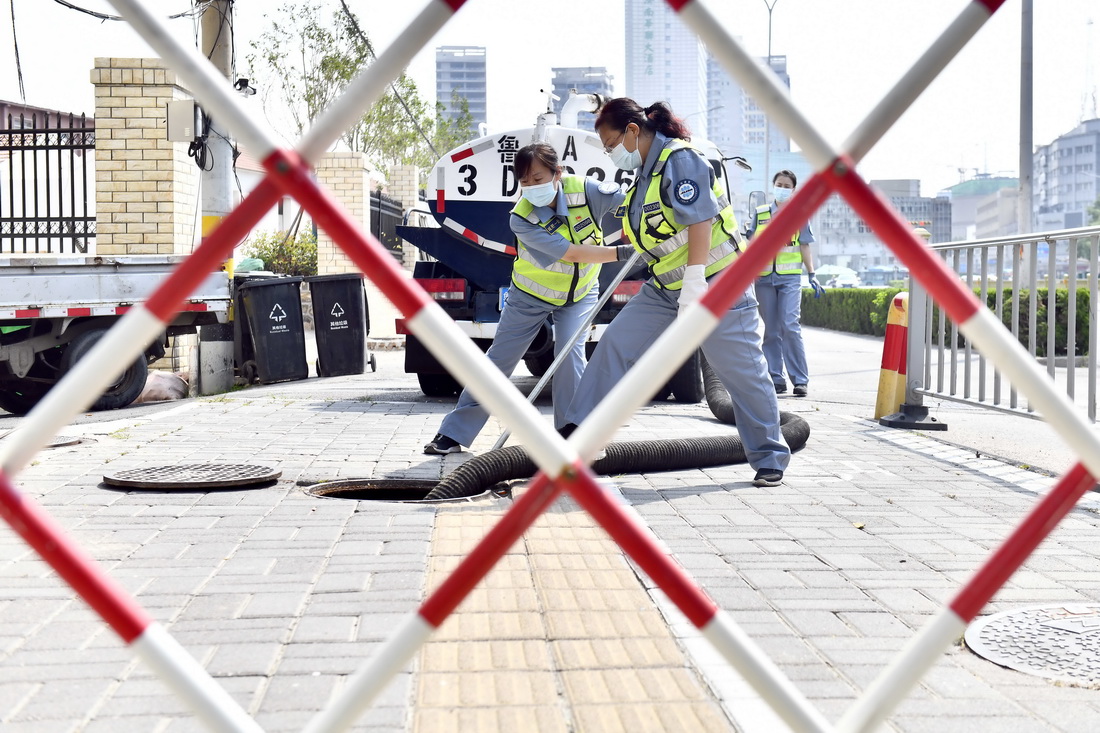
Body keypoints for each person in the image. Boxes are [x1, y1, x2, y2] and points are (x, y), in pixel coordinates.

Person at [560, 98, 791, 487]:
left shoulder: (680, 159)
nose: (611, 154)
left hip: (717, 283)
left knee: (741, 371)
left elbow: (700, 219)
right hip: (667, 288)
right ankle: (582, 437)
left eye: (611, 144)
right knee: (616, 342)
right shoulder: (644, 175)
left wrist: (696, 280)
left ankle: (770, 456)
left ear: (633, 131)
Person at [424, 142, 630, 455]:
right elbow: (571, 252)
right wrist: (622, 252)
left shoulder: (587, 191)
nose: (531, 187)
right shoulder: (521, 218)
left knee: (570, 356)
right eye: (525, 182)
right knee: (499, 360)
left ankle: (571, 434)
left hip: (581, 293)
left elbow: (630, 201)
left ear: (557, 173)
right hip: (529, 295)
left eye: (538, 178)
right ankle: (453, 434)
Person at [750, 170, 825, 397]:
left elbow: (804, 246)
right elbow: (752, 244)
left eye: (786, 185)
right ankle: (776, 378)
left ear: (793, 190)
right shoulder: (761, 213)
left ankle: (800, 381)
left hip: (790, 279)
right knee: (772, 331)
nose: (782, 188)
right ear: (773, 185)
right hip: (763, 280)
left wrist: (811, 274)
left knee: (790, 326)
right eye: (779, 184)